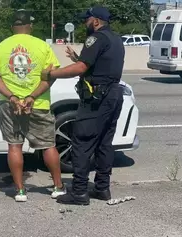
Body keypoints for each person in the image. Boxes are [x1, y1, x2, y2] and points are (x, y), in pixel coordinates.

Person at [41, 6, 125, 205]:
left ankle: (79, 192)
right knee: (104, 143)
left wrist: (50, 74)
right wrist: (77, 58)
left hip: (97, 98)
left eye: (87, 20)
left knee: (81, 141)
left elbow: (81, 69)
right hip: (113, 94)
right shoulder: (116, 39)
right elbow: (98, 66)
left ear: (96, 21)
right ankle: (102, 188)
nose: (84, 23)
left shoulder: (95, 38)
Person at [0, 9, 66, 202]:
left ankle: (20, 191)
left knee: (14, 145)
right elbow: (51, 75)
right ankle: (58, 186)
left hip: (9, 104)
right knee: (48, 145)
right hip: (37, 103)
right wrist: (32, 96)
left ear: (12, 27)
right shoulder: (42, 46)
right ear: (30, 26)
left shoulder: (1, 47)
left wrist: (12, 96)